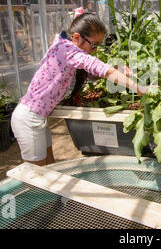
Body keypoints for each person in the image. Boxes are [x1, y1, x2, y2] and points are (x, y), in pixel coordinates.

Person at [11, 9, 146, 166]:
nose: (95, 50)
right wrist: (139, 88)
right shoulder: (66, 50)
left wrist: (118, 68)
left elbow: (94, 74)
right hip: (29, 118)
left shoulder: (67, 49)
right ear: (76, 37)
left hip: (38, 118)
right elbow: (98, 67)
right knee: (35, 174)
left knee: (49, 167)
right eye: (94, 45)